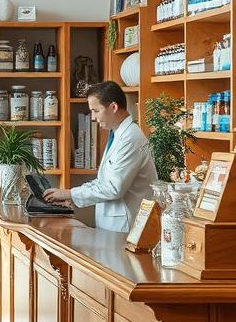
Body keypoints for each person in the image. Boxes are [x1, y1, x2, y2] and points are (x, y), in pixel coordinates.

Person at [43, 80, 156, 233]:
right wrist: (71, 196)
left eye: (96, 110)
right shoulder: (117, 134)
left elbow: (114, 188)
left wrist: (70, 193)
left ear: (113, 107)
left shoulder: (131, 138)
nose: (93, 117)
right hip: (114, 223)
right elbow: (104, 181)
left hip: (125, 225)